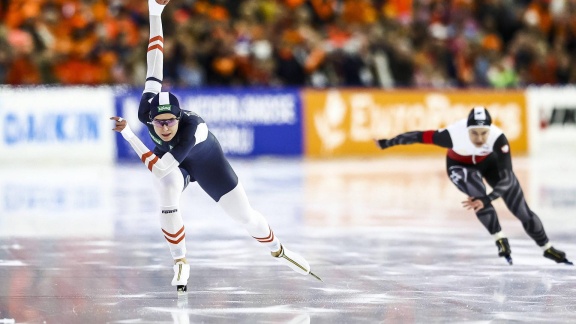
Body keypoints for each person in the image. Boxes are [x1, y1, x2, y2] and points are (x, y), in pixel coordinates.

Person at [110, 0, 321, 294]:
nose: (165, 128)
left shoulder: (191, 131)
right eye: (159, 124)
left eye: (171, 121)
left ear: (179, 118)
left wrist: (129, 136)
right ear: (151, 118)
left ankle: (279, 250)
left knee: (245, 217)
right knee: (167, 189)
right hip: (174, 165)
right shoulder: (146, 109)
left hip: (206, 161)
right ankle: (180, 261)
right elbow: (154, 57)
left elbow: (158, 167)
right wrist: (154, 12)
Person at [376, 106, 572, 266]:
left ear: (490, 130)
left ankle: (546, 247)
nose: (479, 138)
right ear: (466, 129)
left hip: (489, 163)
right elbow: (418, 136)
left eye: (483, 133)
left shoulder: (499, 139)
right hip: (460, 165)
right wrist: (388, 143)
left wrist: (490, 197)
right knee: (477, 194)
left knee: (521, 210)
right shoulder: (451, 135)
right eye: (474, 133)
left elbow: (507, 179)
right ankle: (499, 237)